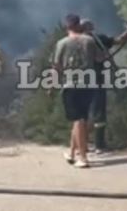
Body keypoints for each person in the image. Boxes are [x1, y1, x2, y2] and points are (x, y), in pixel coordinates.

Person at [52, 14, 100, 168]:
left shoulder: (62, 43)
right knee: (80, 120)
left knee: (78, 120)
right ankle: (72, 153)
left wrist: (52, 85)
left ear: (67, 26)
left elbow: (57, 67)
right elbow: (101, 58)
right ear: (79, 24)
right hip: (89, 84)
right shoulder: (89, 41)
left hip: (71, 85)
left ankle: (83, 158)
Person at [80, 18, 127, 154]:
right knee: (94, 113)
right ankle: (94, 145)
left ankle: (88, 145)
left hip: (88, 81)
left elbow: (118, 41)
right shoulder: (85, 41)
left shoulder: (97, 39)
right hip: (90, 81)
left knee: (90, 114)